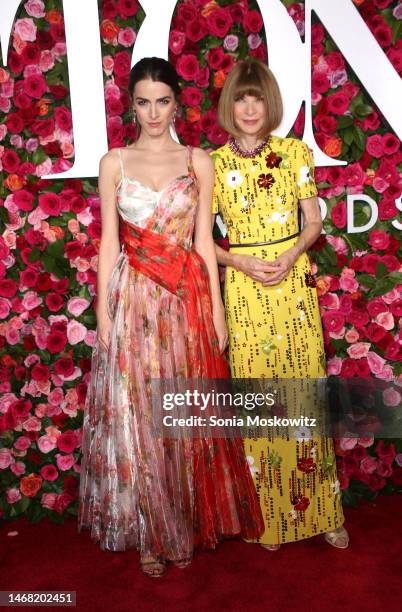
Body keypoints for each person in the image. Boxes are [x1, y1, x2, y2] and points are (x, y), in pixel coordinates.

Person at [77, 57, 264, 578]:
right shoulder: (113, 161)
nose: (153, 112)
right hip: (133, 296)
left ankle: (180, 516)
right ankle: (148, 530)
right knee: (137, 413)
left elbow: (205, 241)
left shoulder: (197, 160)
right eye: (143, 101)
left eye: (162, 101)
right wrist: (102, 309)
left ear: (176, 103)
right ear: (131, 105)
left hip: (185, 298)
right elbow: (109, 241)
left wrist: (217, 310)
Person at [211, 59, 349, 551]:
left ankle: (323, 513)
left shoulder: (295, 153)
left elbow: (313, 221)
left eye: (259, 97)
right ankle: (270, 517)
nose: (250, 108)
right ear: (231, 105)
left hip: (292, 287)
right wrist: (239, 263)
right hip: (244, 292)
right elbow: (199, 240)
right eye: (242, 98)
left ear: (270, 103)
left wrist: (292, 253)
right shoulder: (211, 163)